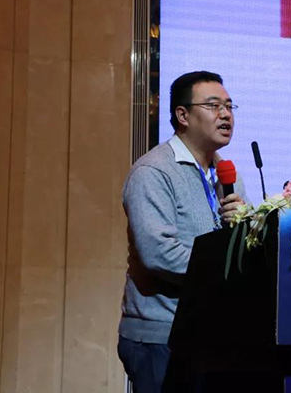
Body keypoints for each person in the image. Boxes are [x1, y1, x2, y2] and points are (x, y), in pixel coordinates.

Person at [117, 71, 248, 393]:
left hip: (213, 333)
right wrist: (228, 272)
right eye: (213, 105)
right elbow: (158, 254)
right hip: (162, 335)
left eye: (229, 106)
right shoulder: (154, 171)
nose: (226, 114)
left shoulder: (227, 175)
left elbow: (239, 249)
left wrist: (246, 228)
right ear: (183, 115)